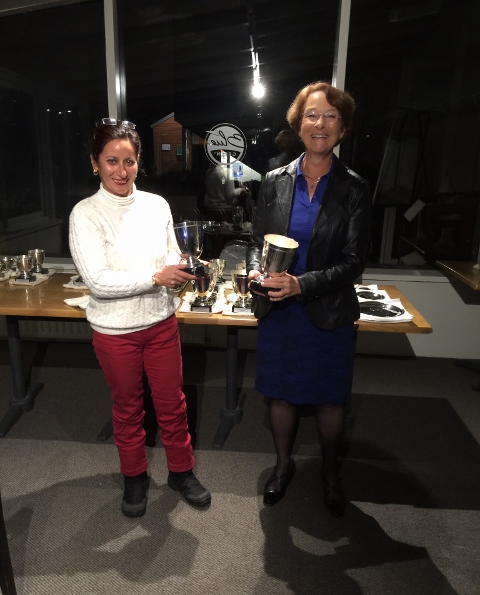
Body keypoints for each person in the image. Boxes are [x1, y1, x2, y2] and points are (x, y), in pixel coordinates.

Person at [69, 118, 211, 518]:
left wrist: (182, 265)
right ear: (95, 163)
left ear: (138, 162)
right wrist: (154, 278)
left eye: (129, 161)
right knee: (128, 408)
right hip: (115, 332)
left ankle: (181, 471)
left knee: (172, 404)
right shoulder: (85, 214)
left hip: (161, 323)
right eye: (111, 161)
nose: (121, 170)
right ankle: (134, 476)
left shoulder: (156, 205)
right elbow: (98, 282)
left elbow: (169, 255)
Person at [246, 82, 371, 517]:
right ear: (299, 124)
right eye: (312, 115)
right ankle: (283, 466)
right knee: (280, 396)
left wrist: (302, 284)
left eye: (331, 116)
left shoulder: (354, 187)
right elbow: (258, 242)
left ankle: (331, 473)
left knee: (330, 399)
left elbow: (354, 262)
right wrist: (257, 273)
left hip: (329, 310)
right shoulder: (274, 181)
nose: (321, 124)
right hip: (280, 311)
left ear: (343, 128)